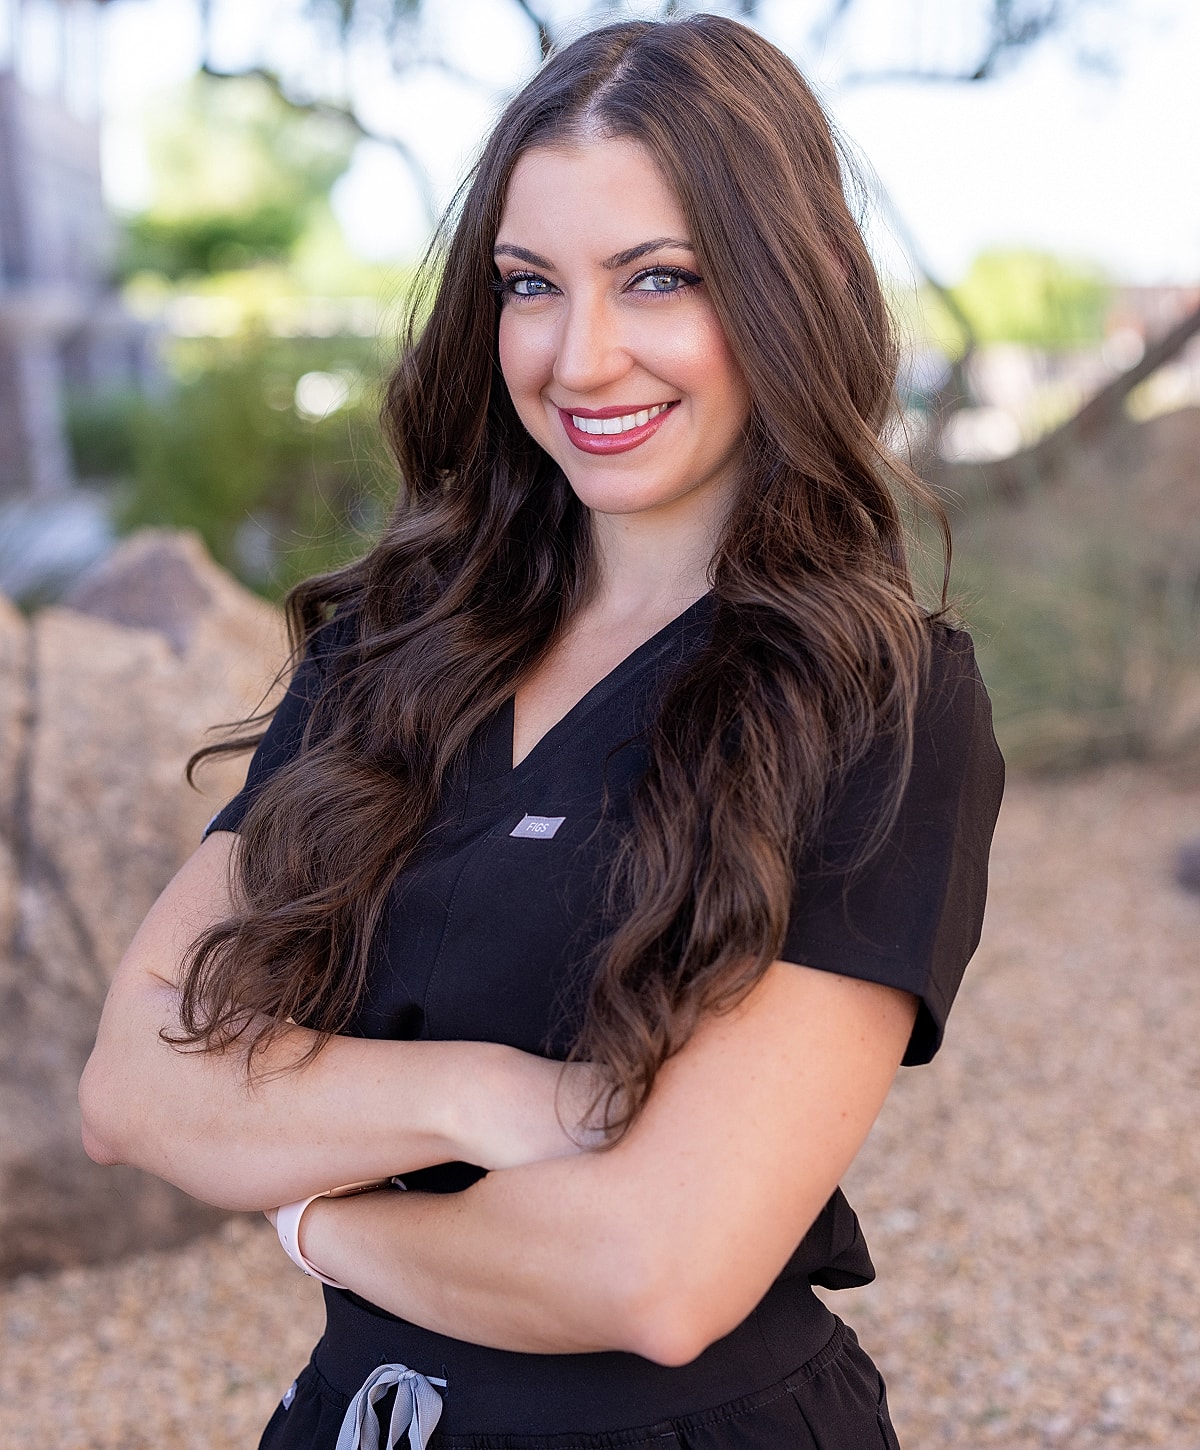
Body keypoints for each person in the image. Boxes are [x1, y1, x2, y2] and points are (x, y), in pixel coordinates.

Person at [79, 15, 1004, 1450]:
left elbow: (659, 1271)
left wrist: (316, 1214)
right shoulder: (393, 651)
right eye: (531, 285)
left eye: (660, 278)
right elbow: (135, 1085)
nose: (582, 357)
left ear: (803, 282)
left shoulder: (878, 696)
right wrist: (486, 1096)